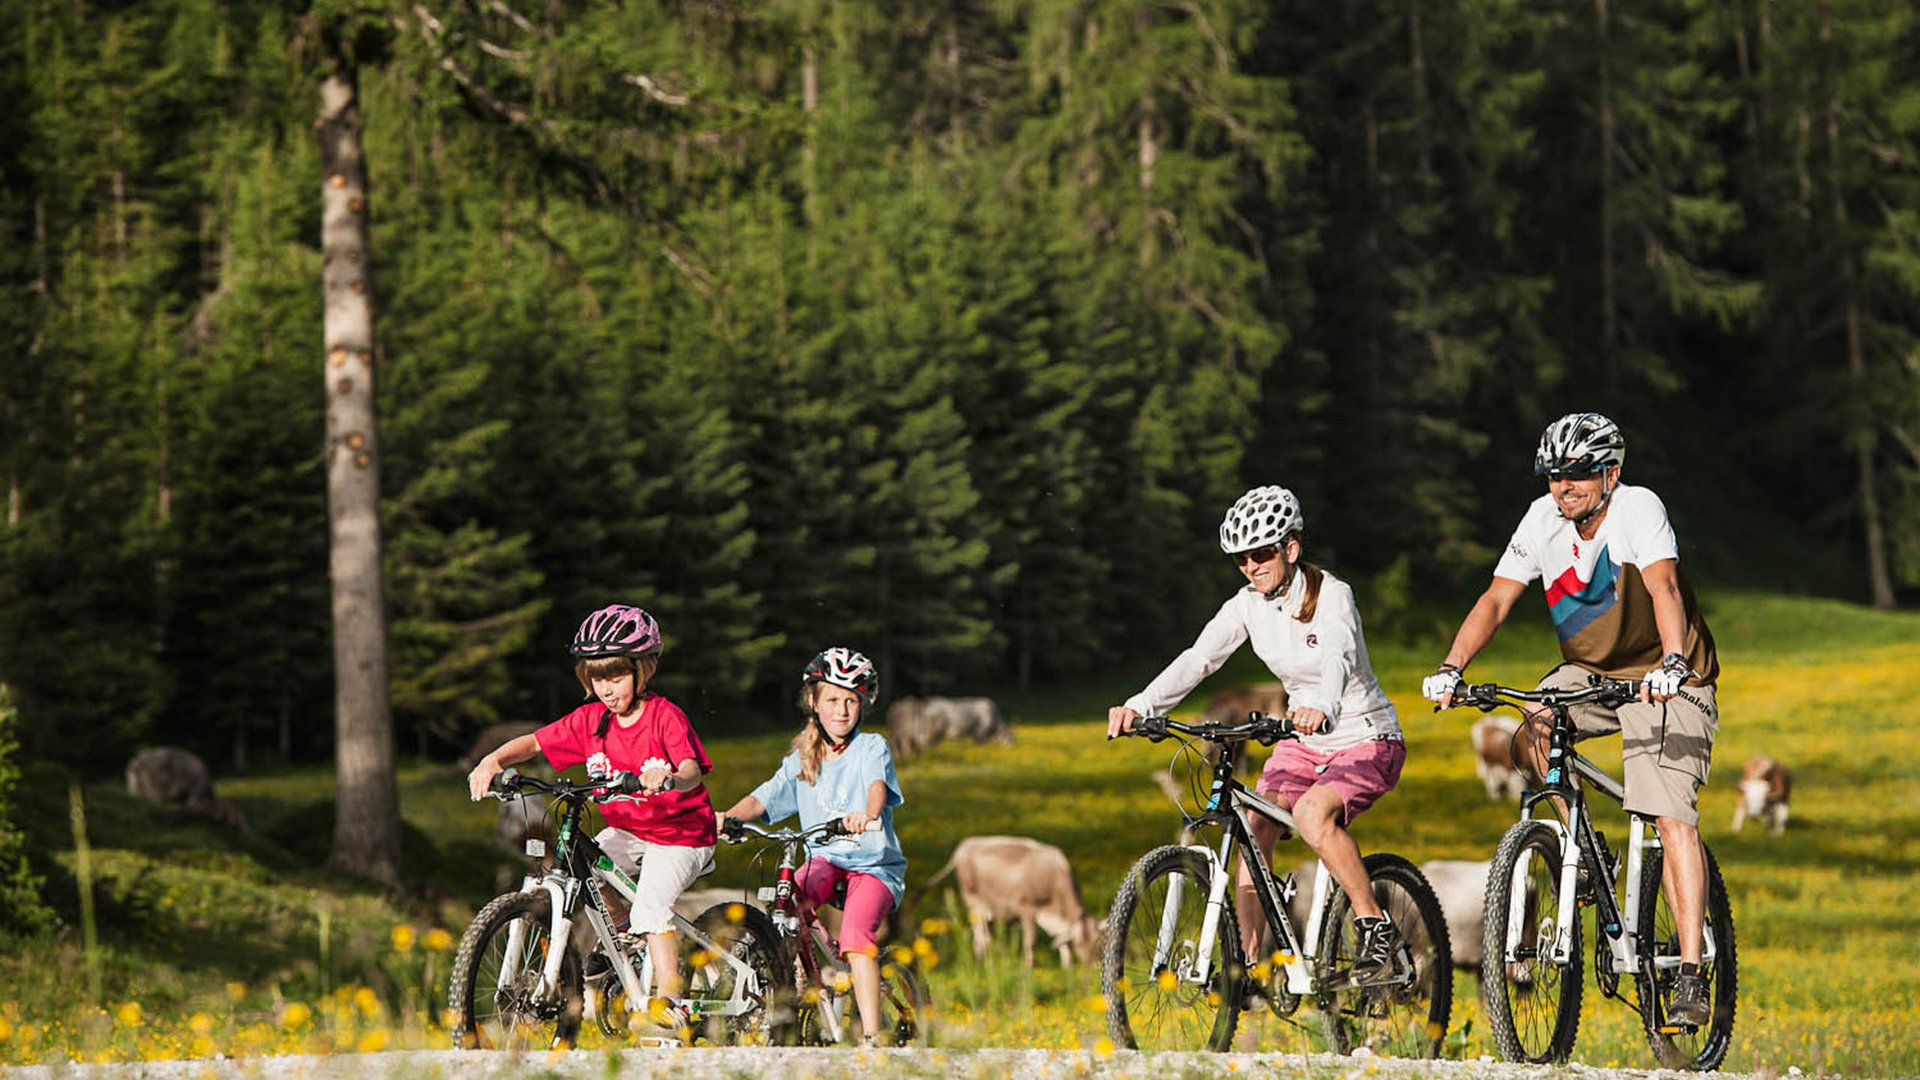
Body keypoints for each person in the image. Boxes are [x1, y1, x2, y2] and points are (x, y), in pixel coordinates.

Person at [1420, 411, 1719, 1026]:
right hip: (1589, 674)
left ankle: (1691, 972)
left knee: (1669, 816)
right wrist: (1451, 667)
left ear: (1611, 472)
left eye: (1578, 474)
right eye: (1554, 475)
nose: (1564, 486)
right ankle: (1581, 844)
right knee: (1529, 735)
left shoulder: (1639, 509)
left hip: (1669, 675)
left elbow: (1664, 589)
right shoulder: (1541, 519)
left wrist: (1671, 662)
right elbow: (1497, 598)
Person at [1106, 485, 1409, 993]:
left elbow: (1336, 654)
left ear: (1290, 549)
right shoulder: (1247, 605)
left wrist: (1323, 706)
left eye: (1262, 552)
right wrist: (1142, 705)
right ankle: (1244, 968)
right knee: (1255, 824)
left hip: (1364, 735)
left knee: (1313, 815)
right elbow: (1199, 658)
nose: (1250, 565)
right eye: (1241, 558)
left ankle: (1375, 927)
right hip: (1301, 738)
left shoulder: (1332, 595)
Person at [467, 603, 716, 1027]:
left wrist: (669, 777)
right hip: (629, 830)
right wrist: (492, 760)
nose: (607, 687)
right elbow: (533, 743)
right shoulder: (591, 721)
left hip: (682, 834)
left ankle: (672, 1003)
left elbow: (692, 771)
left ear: (643, 670)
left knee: (651, 907)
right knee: (587, 869)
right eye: (597, 677)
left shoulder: (664, 717)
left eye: (616, 676)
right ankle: (623, 936)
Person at [717, 648, 906, 1047]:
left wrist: (866, 815)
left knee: (856, 936)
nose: (841, 711)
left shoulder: (872, 747)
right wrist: (728, 817)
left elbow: (875, 787)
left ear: (863, 704)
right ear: (813, 702)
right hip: (825, 859)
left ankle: (873, 1037)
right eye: (832, 700)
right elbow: (765, 798)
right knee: (788, 899)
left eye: (851, 700)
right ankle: (800, 984)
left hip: (873, 865)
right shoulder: (803, 756)